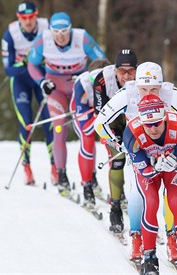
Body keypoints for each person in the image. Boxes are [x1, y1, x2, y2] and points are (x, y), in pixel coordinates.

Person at [94, 61, 177, 264]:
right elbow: (99, 123)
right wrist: (120, 143)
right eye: (144, 88)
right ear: (137, 85)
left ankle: (172, 239)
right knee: (140, 194)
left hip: (170, 149)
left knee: (172, 196)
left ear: (162, 85)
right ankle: (137, 237)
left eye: (154, 89)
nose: (148, 93)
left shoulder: (172, 94)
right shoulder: (128, 93)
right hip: (139, 149)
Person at [28, 11, 106, 195]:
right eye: (56, 31)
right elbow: (32, 64)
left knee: (87, 131)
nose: (60, 35)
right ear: (51, 31)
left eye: (64, 31)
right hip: (56, 88)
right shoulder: (42, 40)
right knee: (59, 128)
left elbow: (102, 61)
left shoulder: (82, 38)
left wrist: (90, 76)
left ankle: (91, 177)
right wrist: (42, 82)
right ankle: (61, 175)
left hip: (79, 88)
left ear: (70, 29)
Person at [123, 94, 177, 275]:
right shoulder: (131, 133)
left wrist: (175, 164)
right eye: (148, 125)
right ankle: (149, 258)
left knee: (175, 202)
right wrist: (155, 166)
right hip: (149, 168)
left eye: (157, 123)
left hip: (172, 166)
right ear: (141, 122)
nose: (153, 129)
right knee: (151, 202)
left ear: (165, 117)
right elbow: (143, 170)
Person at [2, 1, 55, 185]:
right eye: (24, 18)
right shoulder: (11, 34)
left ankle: (55, 167)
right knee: (27, 123)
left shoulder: (46, 27)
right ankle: (26, 166)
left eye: (31, 17)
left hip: (42, 79)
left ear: (36, 15)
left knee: (50, 121)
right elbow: (8, 70)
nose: (28, 21)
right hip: (21, 81)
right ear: (18, 18)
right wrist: (25, 63)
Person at [92, 49, 137, 236]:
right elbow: (101, 118)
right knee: (117, 159)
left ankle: (139, 208)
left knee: (139, 163)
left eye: (131, 71)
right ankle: (115, 209)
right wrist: (115, 139)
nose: (126, 76)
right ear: (115, 70)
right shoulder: (103, 80)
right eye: (122, 71)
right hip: (111, 120)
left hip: (133, 119)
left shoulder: (144, 79)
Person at [69, 58, 111, 206]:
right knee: (87, 139)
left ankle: (117, 192)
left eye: (102, 79)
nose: (97, 83)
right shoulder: (83, 83)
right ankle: (87, 185)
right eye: (94, 79)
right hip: (85, 111)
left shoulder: (114, 81)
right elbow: (86, 127)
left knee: (112, 141)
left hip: (102, 111)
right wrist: (97, 115)